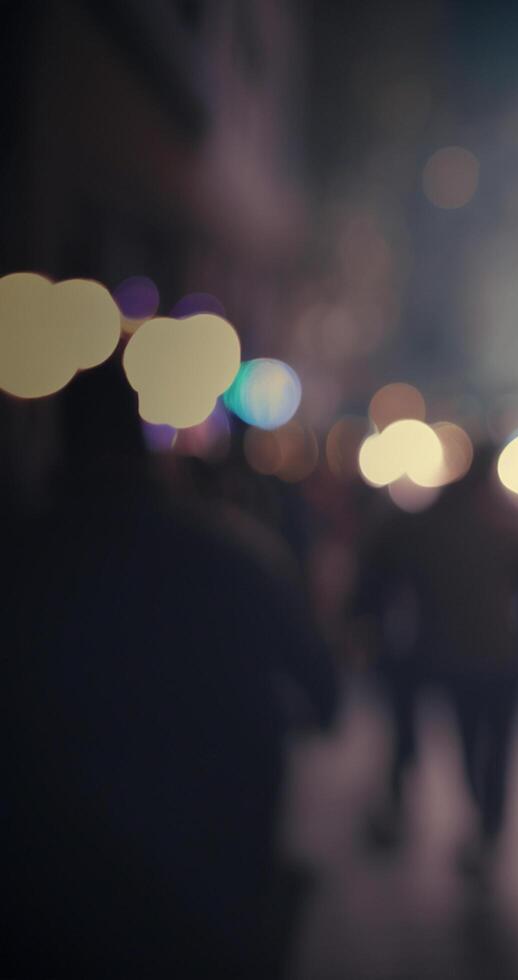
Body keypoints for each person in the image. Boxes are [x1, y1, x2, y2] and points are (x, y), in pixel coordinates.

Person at [1, 365, 338, 976]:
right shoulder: (235, 553)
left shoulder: (20, 562)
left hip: (47, 885)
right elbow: (323, 690)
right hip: (212, 872)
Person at [352, 441, 518, 873]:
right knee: (497, 750)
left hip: (450, 656)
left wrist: (364, 621)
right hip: (500, 658)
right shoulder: (513, 528)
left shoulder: (428, 524)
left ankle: (482, 823)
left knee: (471, 745)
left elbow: (377, 568)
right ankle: (489, 827)